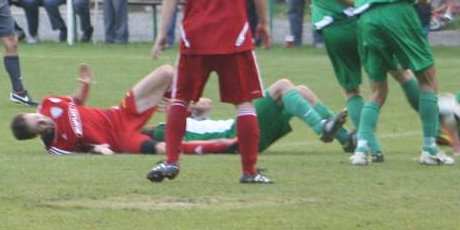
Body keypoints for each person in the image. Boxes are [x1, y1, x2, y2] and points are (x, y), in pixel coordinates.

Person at [148, 0, 272, 184]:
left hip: (195, 37)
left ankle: (171, 160)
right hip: (234, 36)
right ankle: (249, 172)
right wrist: (265, 22)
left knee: (180, 99)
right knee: (244, 104)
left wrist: (161, 33)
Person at [331, 0, 453, 167]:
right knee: (427, 79)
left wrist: (363, 1)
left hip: (367, 20)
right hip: (397, 12)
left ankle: (361, 150)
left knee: (377, 89)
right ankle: (430, 149)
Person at [297, 0, 424, 161]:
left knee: (351, 91)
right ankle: (437, 129)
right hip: (353, 20)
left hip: (329, 30)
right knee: (399, 73)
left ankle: (371, 147)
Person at [10, 63, 233, 157]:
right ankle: (223, 146)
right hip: (121, 139)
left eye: (37, 116)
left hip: (120, 113)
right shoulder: (55, 146)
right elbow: (82, 151)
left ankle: (185, 109)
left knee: (166, 72)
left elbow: (77, 101)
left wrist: (85, 84)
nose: (43, 119)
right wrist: (97, 150)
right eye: (39, 124)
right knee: (166, 149)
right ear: (36, 134)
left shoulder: (49, 104)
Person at [150, 78, 351, 153]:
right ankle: (320, 127)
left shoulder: (190, 119)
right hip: (237, 134)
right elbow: (140, 138)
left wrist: (188, 105)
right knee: (282, 86)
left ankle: (347, 140)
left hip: (244, 134)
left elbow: (207, 105)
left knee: (301, 91)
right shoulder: (164, 129)